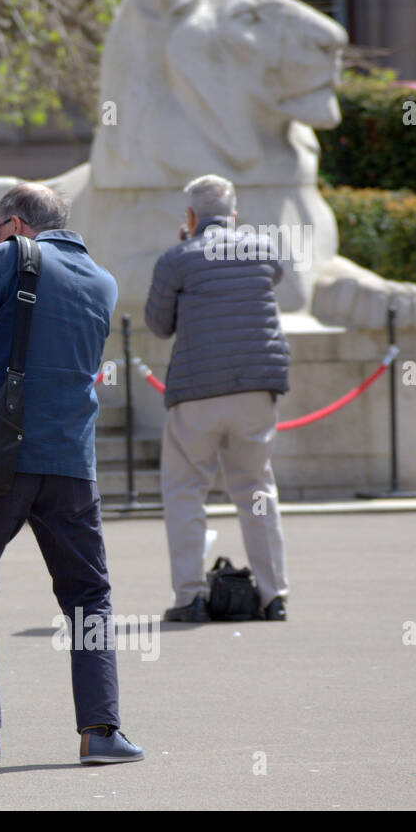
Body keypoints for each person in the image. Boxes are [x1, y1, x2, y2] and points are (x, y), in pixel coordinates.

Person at [0, 182, 143, 766]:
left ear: (17, 225)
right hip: (73, 463)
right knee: (89, 597)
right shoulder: (103, 280)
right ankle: (101, 731)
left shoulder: (8, 258)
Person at [144, 174, 290, 623]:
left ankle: (190, 597)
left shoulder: (177, 259)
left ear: (189, 218)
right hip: (256, 389)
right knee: (256, 490)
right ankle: (273, 596)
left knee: (186, 490)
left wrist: (184, 249)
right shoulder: (264, 251)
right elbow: (271, 278)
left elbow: (158, 324)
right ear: (234, 214)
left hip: (197, 392)